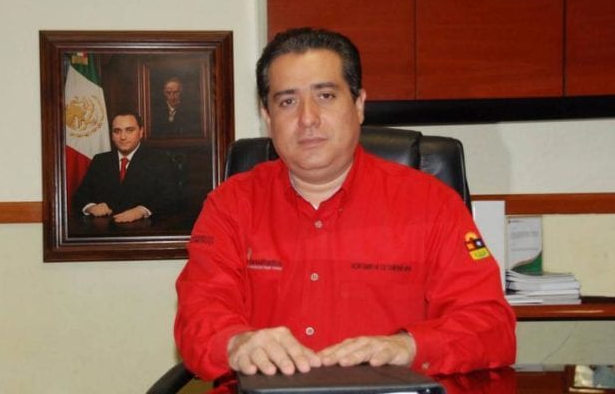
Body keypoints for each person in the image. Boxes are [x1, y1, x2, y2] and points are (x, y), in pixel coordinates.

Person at [174, 28, 516, 392]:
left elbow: (491, 326)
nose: (307, 118)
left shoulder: (433, 204)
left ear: (359, 104)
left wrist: (410, 347)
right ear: (267, 116)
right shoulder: (230, 205)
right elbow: (199, 316)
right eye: (287, 101)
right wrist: (235, 343)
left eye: (325, 95)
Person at [72, 111, 175, 223]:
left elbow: (171, 197)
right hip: (105, 228)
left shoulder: (159, 160)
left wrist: (142, 210)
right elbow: (79, 196)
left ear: (141, 132)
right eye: (117, 131)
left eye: (129, 130)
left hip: (143, 228)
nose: (123, 137)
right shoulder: (100, 161)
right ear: (112, 135)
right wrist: (91, 207)